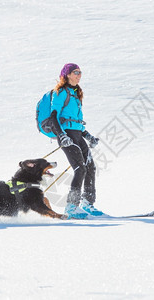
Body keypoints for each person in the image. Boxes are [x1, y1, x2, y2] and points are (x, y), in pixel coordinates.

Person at [50, 63, 104, 219]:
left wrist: (88, 136)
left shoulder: (75, 93)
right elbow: (54, 116)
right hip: (66, 135)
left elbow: (76, 122)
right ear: (67, 74)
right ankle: (71, 207)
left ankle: (87, 204)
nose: (79, 75)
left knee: (90, 167)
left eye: (80, 72)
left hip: (77, 135)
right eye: (76, 72)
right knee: (80, 168)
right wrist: (61, 135)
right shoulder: (60, 92)